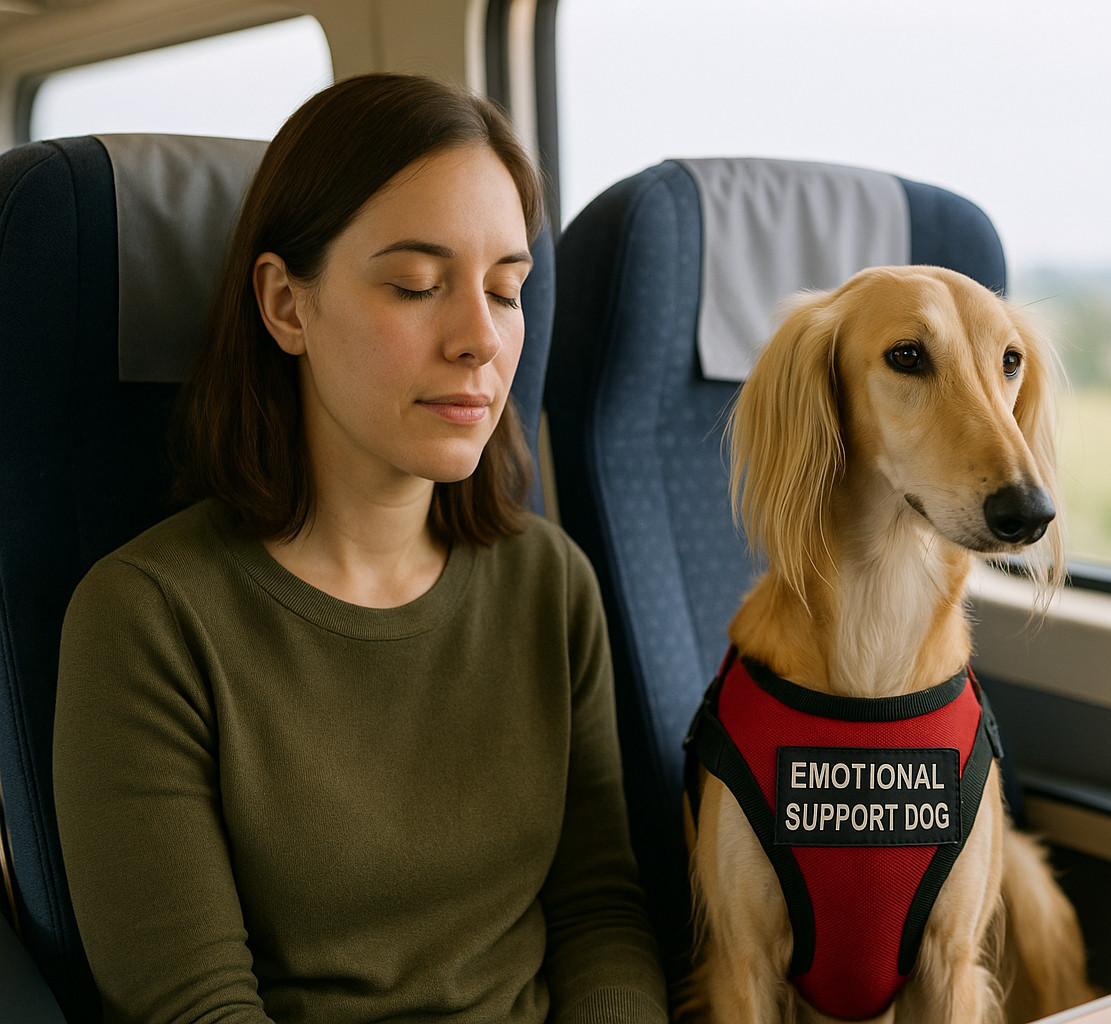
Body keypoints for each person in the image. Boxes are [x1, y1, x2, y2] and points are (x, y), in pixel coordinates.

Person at [52, 73, 668, 1024]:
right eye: (417, 285)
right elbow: (196, 1007)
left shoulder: (550, 584)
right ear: (286, 306)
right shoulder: (148, 618)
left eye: (506, 292)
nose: (480, 340)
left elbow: (597, 916)